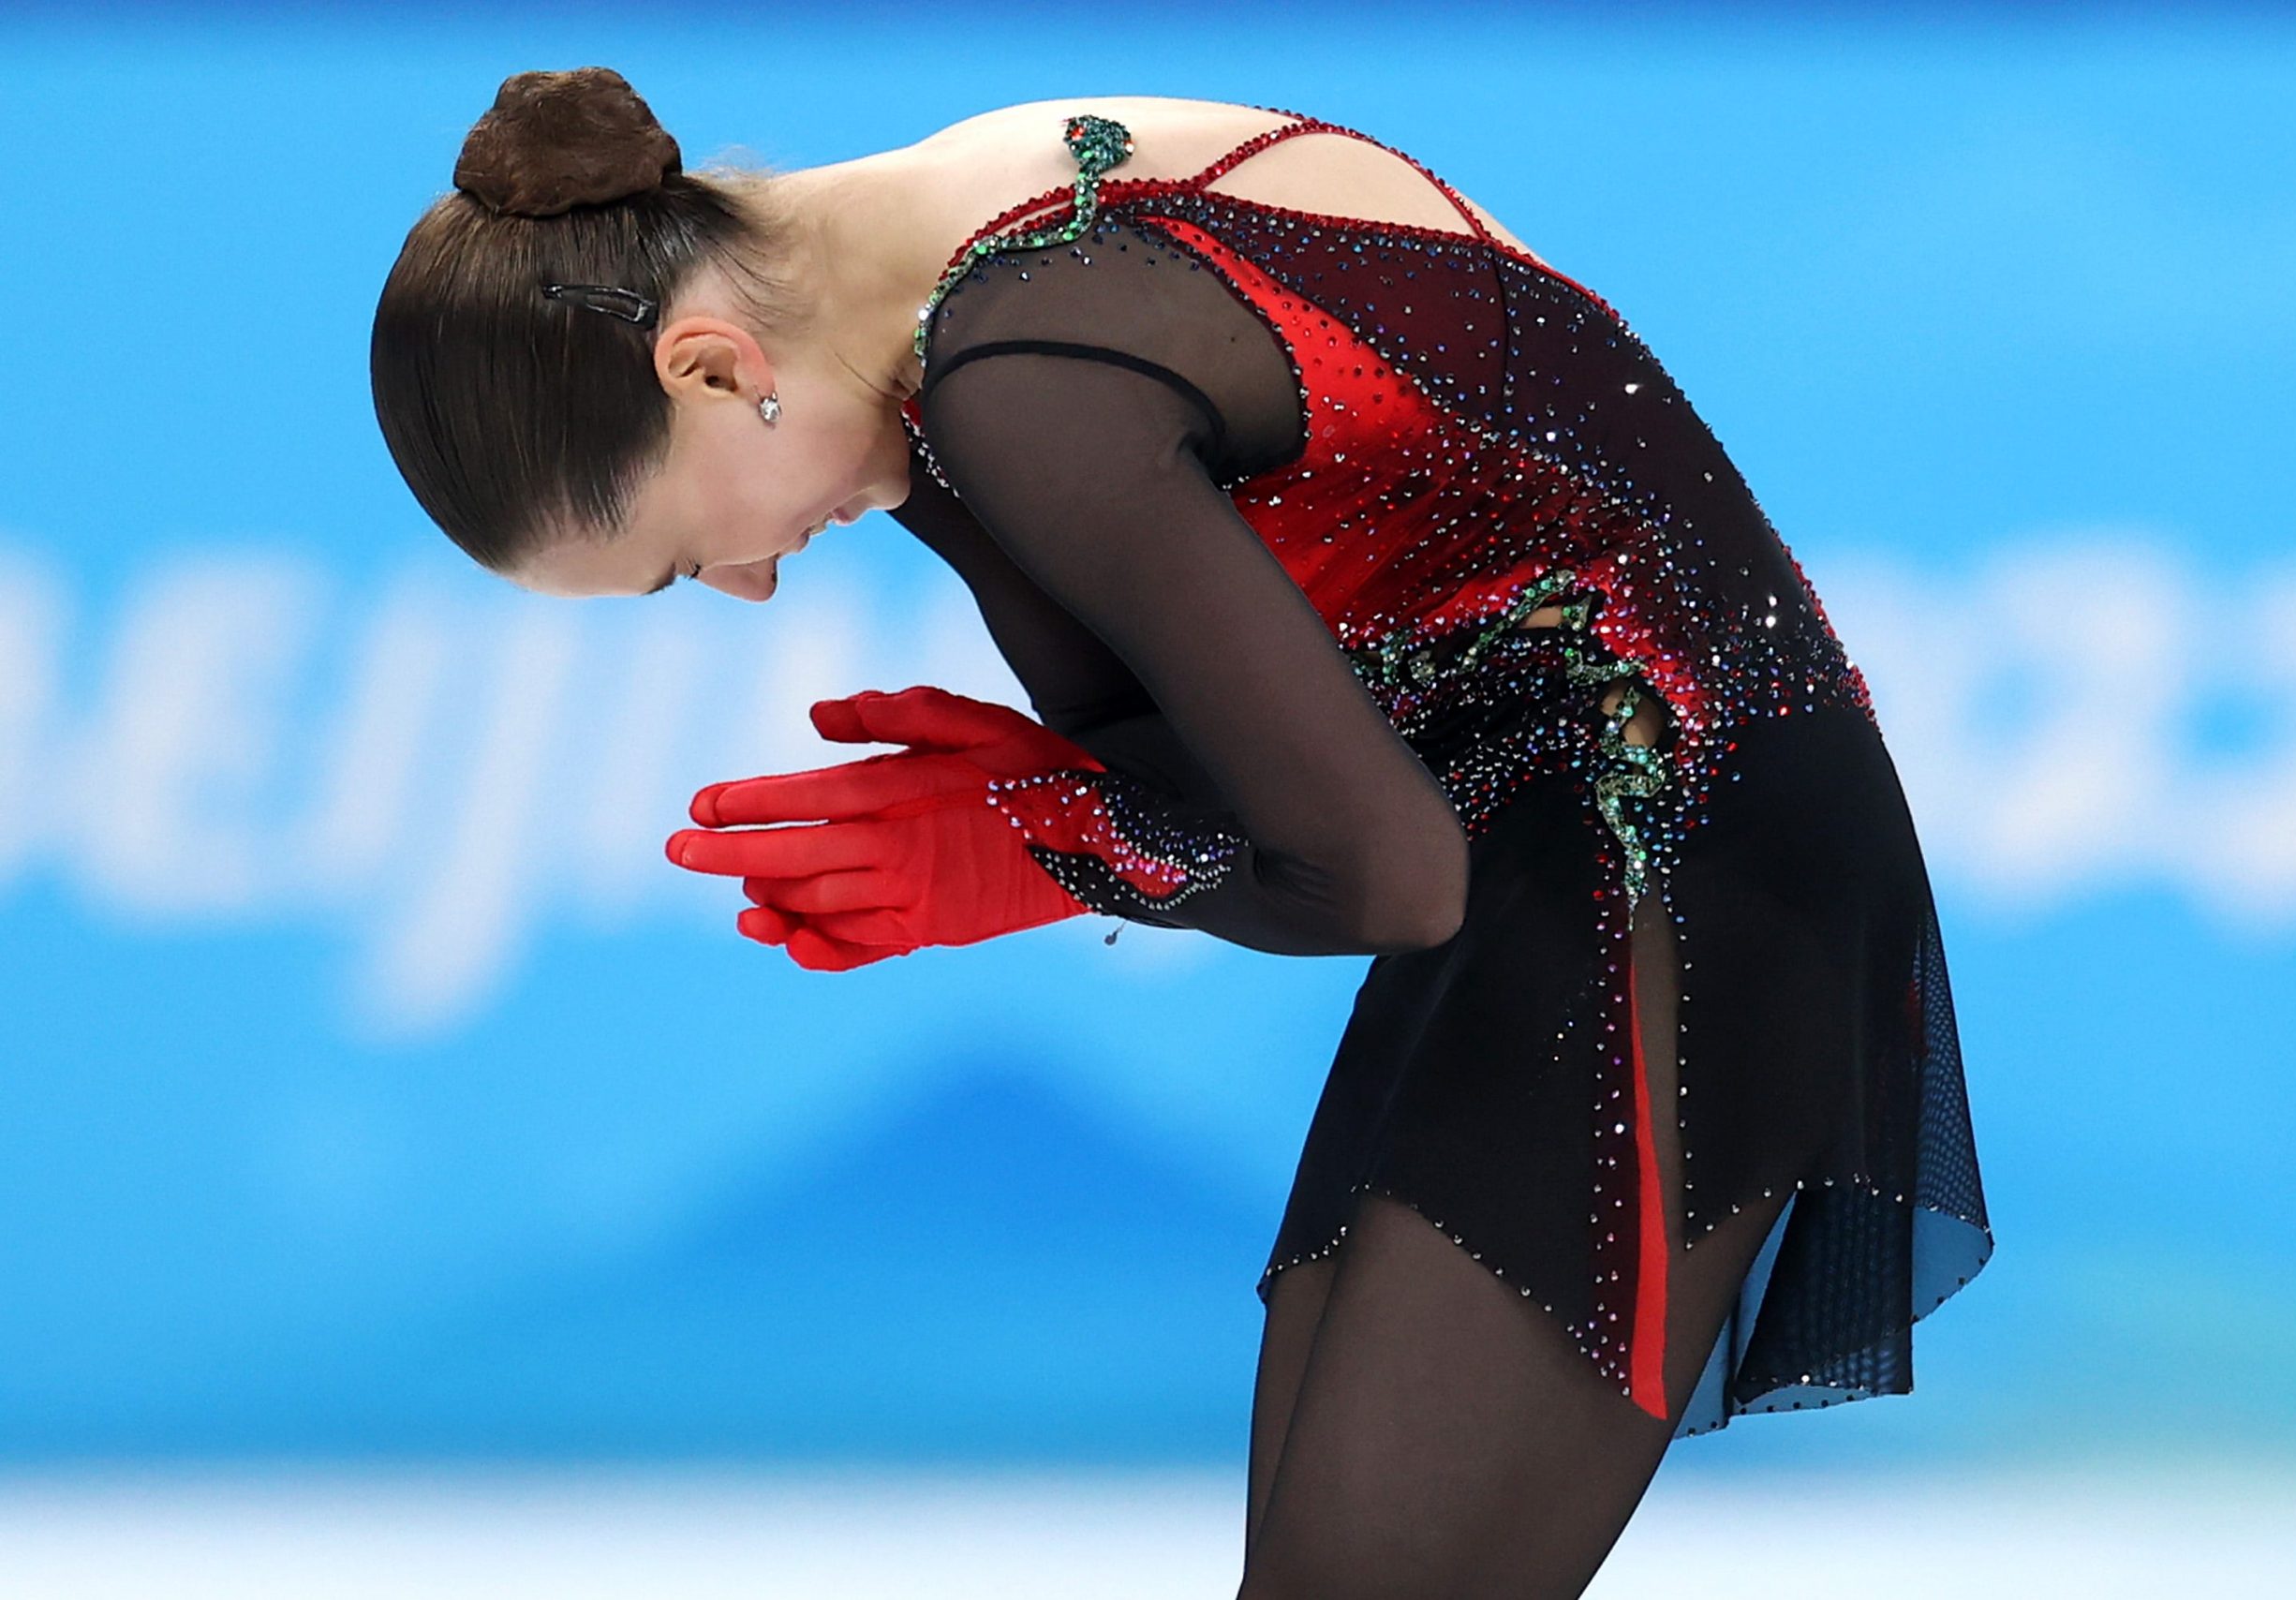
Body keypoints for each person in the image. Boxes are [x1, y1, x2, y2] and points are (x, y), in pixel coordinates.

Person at [371, 69, 1996, 1597]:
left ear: (712, 368)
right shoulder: (939, 289)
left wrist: (1047, 841)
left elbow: (1382, 870)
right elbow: (1264, 786)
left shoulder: (1022, 381)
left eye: (673, 560)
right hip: (1554, 854)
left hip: (1677, 859)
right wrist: (1064, 804)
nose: (747, 587)